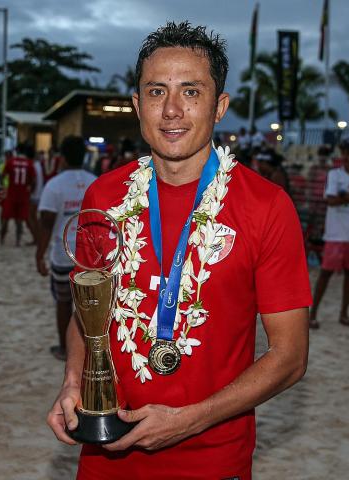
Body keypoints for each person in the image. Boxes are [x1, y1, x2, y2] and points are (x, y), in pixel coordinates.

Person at [47, 22, 310, 479]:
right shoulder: (103, 197)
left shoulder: (267, 206)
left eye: (191, 91)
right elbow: (86, 313)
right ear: (137, 106)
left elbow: (289, 358)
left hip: (213, 459)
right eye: (156, 92)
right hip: (107, 457)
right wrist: (73, 380)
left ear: (219, 106)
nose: (171, 110)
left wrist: (190, 420)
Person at [36, 136, 97, 361]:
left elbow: (46, 224)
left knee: (63, 302)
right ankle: (90, 350)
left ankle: (64, 348)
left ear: (61, 157)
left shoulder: (54, 185)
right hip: (90, 255)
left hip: (63, 254)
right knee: (89, 305)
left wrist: (39, 255)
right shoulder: (95, 182)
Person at [309, 137, 349, 329]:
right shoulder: (334, 174)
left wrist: (343, 195)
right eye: (344, 153)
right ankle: (313, 313)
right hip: (336, 232)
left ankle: (344, 312)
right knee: (326, 272)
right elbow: (330, 200)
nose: (345, 157)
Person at [0, 144, 36, 246]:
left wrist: (2, 187)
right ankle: (18, 241)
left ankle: (2, 239)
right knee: (19, 220)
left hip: (11, 194)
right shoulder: (29, 163)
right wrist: (30, 190)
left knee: (5, 218)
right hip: (23, 194)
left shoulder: (10, 161)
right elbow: (33, 181)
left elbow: (2, 176)